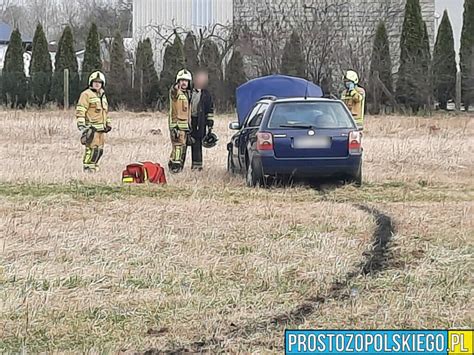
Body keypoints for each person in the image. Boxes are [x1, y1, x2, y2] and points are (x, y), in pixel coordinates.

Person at [76, 71, 111, 172]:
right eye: (95, 82)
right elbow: (81, 109)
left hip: (101, 129)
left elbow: (105, 111)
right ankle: (88, 168)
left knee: (99, 150)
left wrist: (108, 123)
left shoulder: (102, 96)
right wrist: (81, 124)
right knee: (91, 150)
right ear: (91, 82)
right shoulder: (86, 94)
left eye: (99, 82)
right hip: (92, 128)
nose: (97, 84)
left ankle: (94, 166)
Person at [190, 70, 215, 170]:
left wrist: (210, 123)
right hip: (189, 120)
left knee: (198, 143)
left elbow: (210, 109)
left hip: (200, 122)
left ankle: (197, 165)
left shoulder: (206, 94)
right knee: (186, 142)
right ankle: (179, 164)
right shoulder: (189, 92)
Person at [168, 69, 192, 173]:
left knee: (179, 147)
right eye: (181, 80)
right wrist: (175, 88)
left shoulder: (187, 94)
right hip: (177, 126)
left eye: (186, 81)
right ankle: (175, 167)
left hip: (185, 126)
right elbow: (173, 93)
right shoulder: (176, 93)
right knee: (178, 146)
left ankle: (171, 163)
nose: (183, 83)